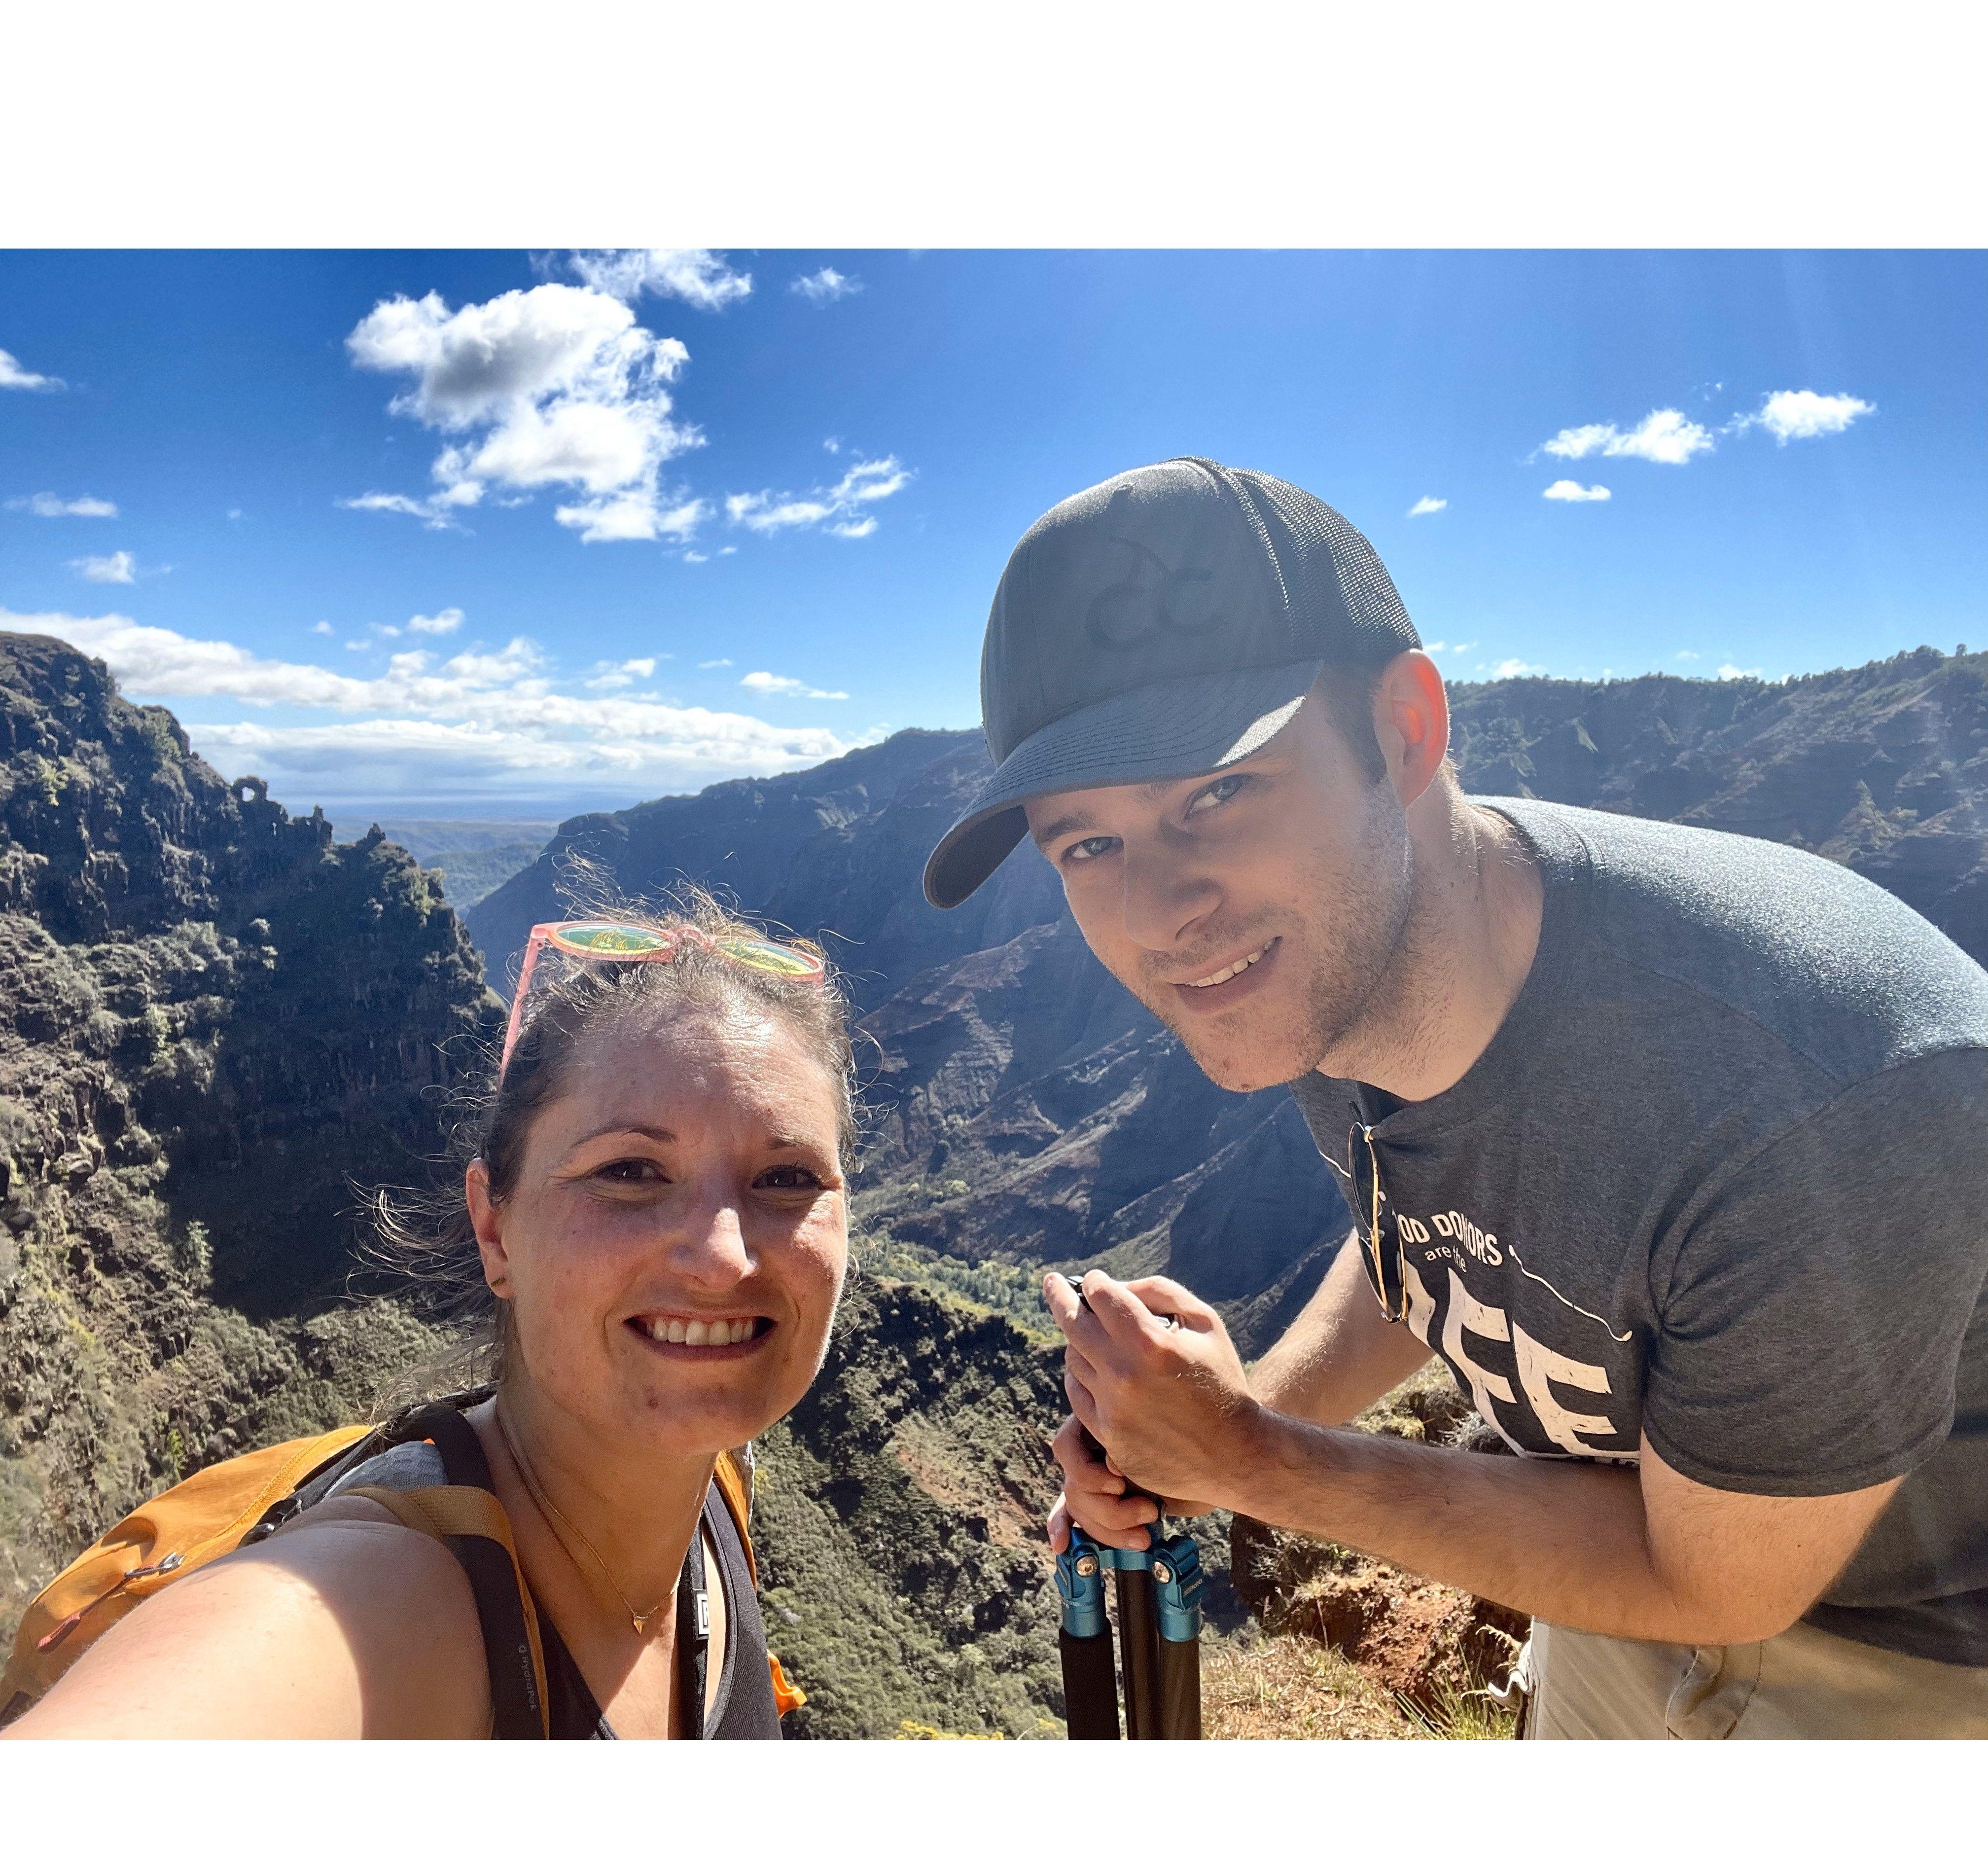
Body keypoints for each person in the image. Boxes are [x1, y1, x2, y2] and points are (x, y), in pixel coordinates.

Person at [923, 456, 1988, 1738]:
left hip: (1907, 1659)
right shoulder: (1348, 969)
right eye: (1087, 842)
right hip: (1614, 1567)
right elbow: (1436, 1237)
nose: (1159, 913)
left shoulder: (1821, 1097)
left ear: (1406, 733)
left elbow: (1715, 1579)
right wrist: (1226, 1427)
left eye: (1218, 790)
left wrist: (1249, 1461)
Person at [6, 896, 853, 1739]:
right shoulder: (383, 1600)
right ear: (496, 1230)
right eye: (630, 1171)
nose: (722, 1259)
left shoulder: (717, 1491)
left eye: (787, 1179)